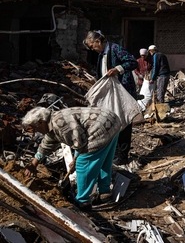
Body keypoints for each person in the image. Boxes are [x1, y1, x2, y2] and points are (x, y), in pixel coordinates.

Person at [23, 107, 122, 211]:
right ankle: (104, 193)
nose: (36, 131)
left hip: (101, 127)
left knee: (83, 163)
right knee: (104, 160)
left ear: (41, 122)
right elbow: (46, 144)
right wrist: (34, 163)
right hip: (111, 121)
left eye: (35, 128)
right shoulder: (52, 121)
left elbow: (80, 143)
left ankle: (82, 201)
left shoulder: (60, 124)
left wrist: (75, 160)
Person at [83, 30, 137, 165]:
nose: (92, 49)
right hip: (110, 94)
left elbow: (132, 62)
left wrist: (118, 69)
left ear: (98, 41)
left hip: (122, 91)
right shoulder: (102, 54)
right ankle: (114, 153)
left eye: (92, 46)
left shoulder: (115, 49)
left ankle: (123, 155)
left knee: (124, 121)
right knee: (112, 121)